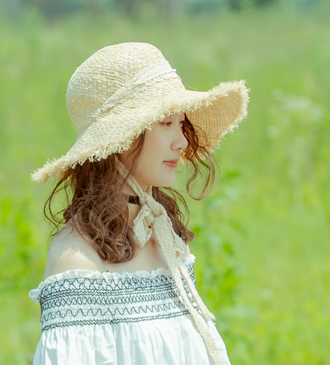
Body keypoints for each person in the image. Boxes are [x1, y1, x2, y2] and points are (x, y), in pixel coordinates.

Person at [28, 42, 249, 365]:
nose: (182, 141)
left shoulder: (166, 239)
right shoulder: (77, 260)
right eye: (165, 123)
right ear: (122, 138)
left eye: (181, 123)